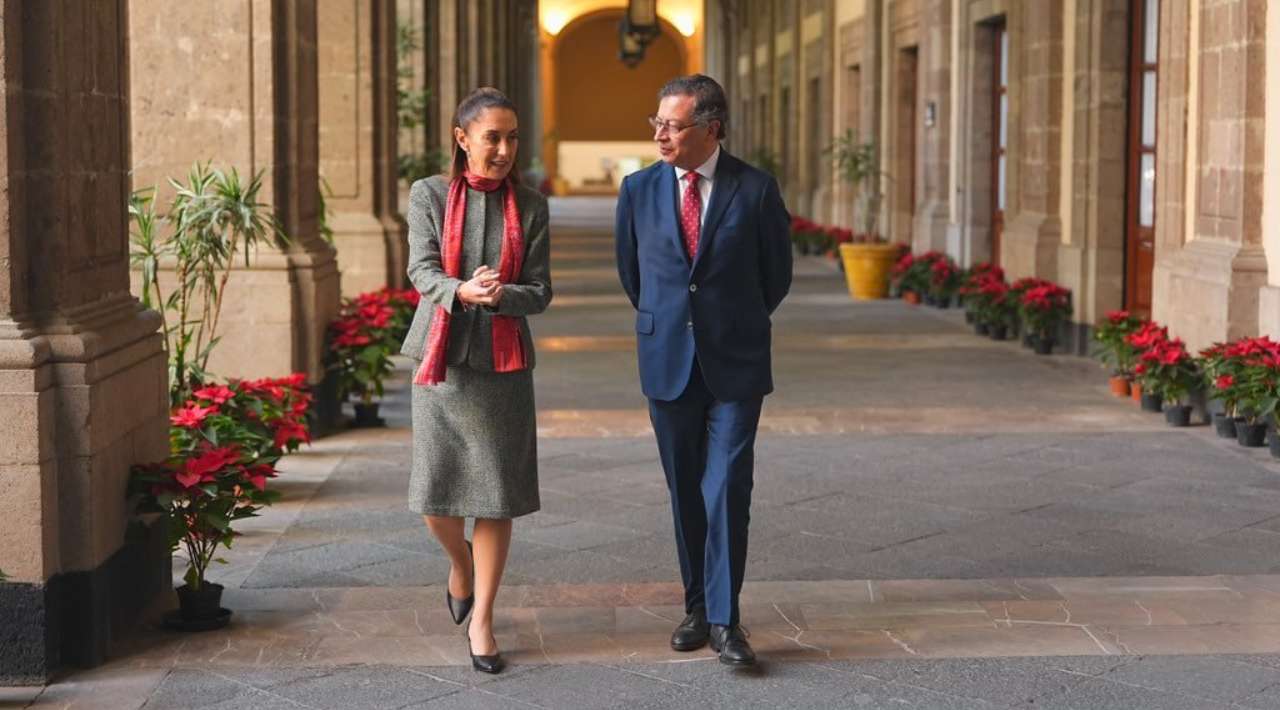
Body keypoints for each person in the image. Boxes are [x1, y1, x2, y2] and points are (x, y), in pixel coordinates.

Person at [614, 74, 792, 667]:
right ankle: (696, 606)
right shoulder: (637, 190)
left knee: (727, 488)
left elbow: (777, 276)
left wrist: (729, 321)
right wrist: (673, 323)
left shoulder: (757, 189)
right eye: (657, 123)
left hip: (736, 363)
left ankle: (726, 620)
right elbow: (634, 277)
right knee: (685, 490)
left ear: (711, 128)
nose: (661, 134)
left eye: (673, 124)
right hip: (667, 360)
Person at [401, 87, 551, 675]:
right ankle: (459, 563)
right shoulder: (429, 195)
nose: (505, 148)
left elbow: (539, 291)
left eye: (513, 136)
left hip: (504, 366)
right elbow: (420, 269)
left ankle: (483, 620)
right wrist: (461, 290)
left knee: (497, 495)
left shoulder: (533, 205)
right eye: (493, 136)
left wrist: (499, 295)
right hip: (440, 361)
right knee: (434, 497)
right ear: (463, 138)